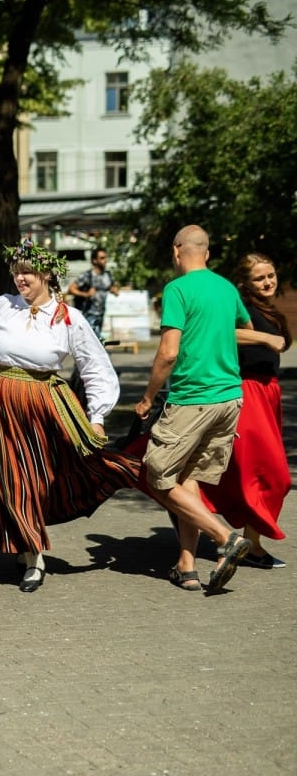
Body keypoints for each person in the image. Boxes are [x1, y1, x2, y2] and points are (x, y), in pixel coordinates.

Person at [0, 239, 139, 593]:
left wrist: (98, 415)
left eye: (27, 273)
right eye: (16, 273)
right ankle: (32, 555)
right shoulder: (2, 306)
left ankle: (28, 540)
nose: (20, 279)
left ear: (47, 274)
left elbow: (96, 368)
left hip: (42, 405)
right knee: (11, 475)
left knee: (37, 476)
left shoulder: (68, 318)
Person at [134, 226, 256, 593]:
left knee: (156, 474)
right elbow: (245, 329)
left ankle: (224, 537)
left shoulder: (177, 289)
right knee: (188, 480)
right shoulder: (226, 288)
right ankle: (187, 566)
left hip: (193, 398)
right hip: (229, 399)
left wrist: (147, 398)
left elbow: (169, 352)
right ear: (207, 251)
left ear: (176, 252)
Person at [198, 254, 291, 568]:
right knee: (271, 474)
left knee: (256, 472)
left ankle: (251, 544)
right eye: (259, 278)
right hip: (247, 391)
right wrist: (264, 336)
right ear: (244, 283)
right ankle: (191, 508)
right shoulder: (240, 306)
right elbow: (219, 331)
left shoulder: (269, 309)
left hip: (269, 394)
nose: (268, 282)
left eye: (271, 275)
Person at [67, 248, 119, 339]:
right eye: (102, 258)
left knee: (95, 340)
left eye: (106, 257)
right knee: (94, 339)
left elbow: (112, 286)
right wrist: (86, 294)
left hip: (101, 313)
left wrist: (114, 289)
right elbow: (71, 289)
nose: (105, 260)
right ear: (94, 260)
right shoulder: (88, 275)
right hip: (89, 313)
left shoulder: (107, 275)